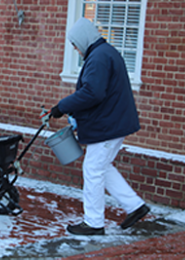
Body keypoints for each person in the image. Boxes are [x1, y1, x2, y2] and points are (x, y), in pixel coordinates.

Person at [51, 18, 150, 235]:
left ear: (84, 39)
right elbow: (98, 93)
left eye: (75, 44)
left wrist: (62, 106)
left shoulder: (98, 58)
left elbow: (92, 93)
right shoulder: (105, 53)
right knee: (102, 167)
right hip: (113, 122)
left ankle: (94, 223)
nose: (76, 49)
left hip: (109, 125)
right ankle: (135, 206)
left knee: (93, 169)